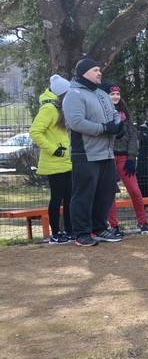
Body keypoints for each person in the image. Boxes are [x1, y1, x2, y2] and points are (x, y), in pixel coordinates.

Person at [63, 58, 124, 246]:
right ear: (84, 72)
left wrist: (118, 127)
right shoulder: (73, 94)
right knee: (83, 195)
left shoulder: (102, 94)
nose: (100, 73)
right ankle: (81, 233)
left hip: (106, 153)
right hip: (86, 154)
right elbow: (76, 122)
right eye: (96, 70)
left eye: (100, 70)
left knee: (105, 194)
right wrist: (104, 129)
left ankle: (99, 228)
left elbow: (114, 115)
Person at [105, 85, 148, 235]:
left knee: (135, 191)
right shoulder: (103, 111)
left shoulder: (125, 113)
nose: (115, 96)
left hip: (124, 158)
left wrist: (131, 157)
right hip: (109, 157)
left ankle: (143, 223)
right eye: (112, 94)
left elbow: (133, 135)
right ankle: (114, 226)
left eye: (117, 94)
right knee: (110, 192)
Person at [29, 74, 74, 243]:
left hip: (67, 160)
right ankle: (55, 234)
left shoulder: (61, 107)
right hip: (55, 161)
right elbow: (35, 132)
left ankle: (70, 231)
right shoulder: (48, 108)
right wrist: (54, 150)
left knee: (69, 197)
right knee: (57, 198)